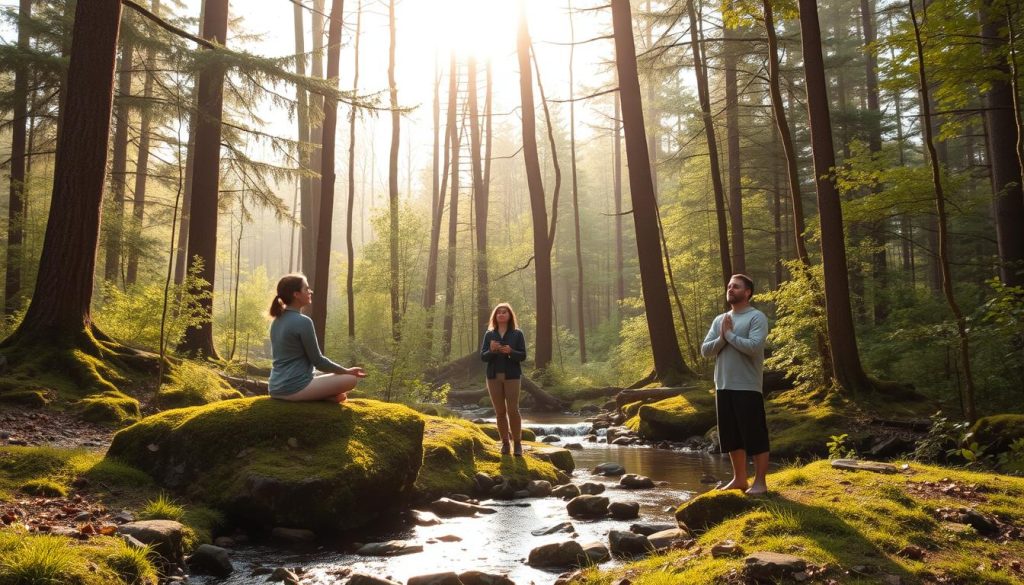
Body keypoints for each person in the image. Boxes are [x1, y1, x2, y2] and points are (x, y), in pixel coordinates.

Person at [700, 274, 770, 495]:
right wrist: (722, 337)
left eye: (736, 286)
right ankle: (740, 479)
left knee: (754, 434)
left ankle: (760, 482)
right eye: (729, 286)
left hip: (747, 386)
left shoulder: (756, 317)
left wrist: (728, 335)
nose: (730, 289)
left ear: (747, 292)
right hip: (723, 385)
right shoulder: (720, 319)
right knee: (731, 435)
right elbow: (705, 351)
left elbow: (753, 347)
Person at [267, 274, 366, 402]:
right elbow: (318, 361)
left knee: (334, 376)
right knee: (350, 379)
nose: (310, 292)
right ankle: (326, 397)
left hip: (275, 387)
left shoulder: (276, 321)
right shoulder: (303, 321)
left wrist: (341, 371)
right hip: (293, 388)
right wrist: (347, 371)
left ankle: (326, 396)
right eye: (306, 289)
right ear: (296, 294)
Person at [480, 302, 528, 456]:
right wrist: (492, 350)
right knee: (500, 412)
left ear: (509, 316)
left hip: (512, 376)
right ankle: (505, 444)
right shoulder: (489, 334)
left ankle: (518, 444)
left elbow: (523, 355)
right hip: (493, 377)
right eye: (498, 312)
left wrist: (510, 351)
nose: (501, 314)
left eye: (504, 312)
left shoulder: (517, 333)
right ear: (495, 316)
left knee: (513, 410)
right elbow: (483, 357)